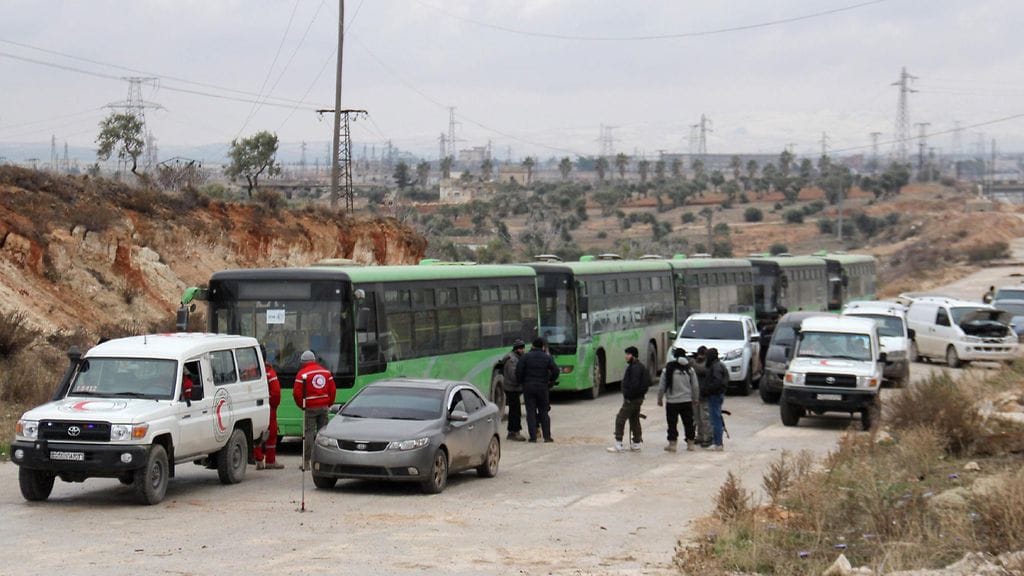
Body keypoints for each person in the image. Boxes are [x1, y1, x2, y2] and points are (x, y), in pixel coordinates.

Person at [292, 350, 337, 470]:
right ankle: (324, 461)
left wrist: (302, 405)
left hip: (310, 407)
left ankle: (307, 462)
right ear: (314, 360)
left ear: (303, 362)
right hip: (323, 407)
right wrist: (328, 403)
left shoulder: (302, 374)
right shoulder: (326, 372)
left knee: (309, 434)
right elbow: (332, 390)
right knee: (323, 434)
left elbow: (296, 393)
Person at [608, 346, 651, 453]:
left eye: (628, 354)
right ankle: (636, 443)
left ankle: (618, 443)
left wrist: (628, 396)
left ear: (633, 355)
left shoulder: (635, 368)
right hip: (638, 398)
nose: (626, 356)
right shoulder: (639, 366)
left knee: (620, 418)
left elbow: (634, 385)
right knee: (634, 419)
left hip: (632, 399)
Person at [515, 337, 559, 443]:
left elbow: (518, 371)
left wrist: (522, 382)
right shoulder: (547, 357)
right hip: (542, 388)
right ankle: (547, 437)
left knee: (531, 412)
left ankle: (533, 437)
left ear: (533, 346)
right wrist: (550, 381)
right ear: (543, 346)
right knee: (544, 412)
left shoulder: (525, 357)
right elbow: (556, 371)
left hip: (528, 388)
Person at [657, 347, 699, 452]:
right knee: (689, 423)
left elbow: (662, 386)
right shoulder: (690, 369)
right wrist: (695, 398)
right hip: (686, 401)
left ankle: (672, 444)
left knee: (672, 423)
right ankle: (690, 444)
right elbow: (695, 386)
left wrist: (660, 398)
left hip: (672, 402)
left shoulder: (668, 369)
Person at [254, 346, 284, 470]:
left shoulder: (251, 372)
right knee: (271, 434)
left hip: (254, 407)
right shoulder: (270, 372)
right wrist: (273, 405)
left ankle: (259, 460)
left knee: (256, 433)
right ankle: (270, 461)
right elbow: (276, 393)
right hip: (268, 408)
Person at [501, 339, 527, 441]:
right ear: (517, 349)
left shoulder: (515, 357)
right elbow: (513, 376)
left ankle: (513, 431)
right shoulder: (512, 360)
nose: (523, 350)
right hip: (512, 389)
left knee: (514, 410)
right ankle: (514, 432)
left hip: (513, 388)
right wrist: (523, 379)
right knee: (515, 411)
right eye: (522, 348)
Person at [704, 347, 729, 452]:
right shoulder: (720, 365)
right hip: (718, 394)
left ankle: (718, 443)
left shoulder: (716, 367)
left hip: (715, 395)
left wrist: (708, 390)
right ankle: (716, 442)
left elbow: (717, 382)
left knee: (715, 420)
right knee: (715, 418)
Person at [692, 346, 712, 448]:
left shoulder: (708, 364)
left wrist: (693, 364)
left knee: (705, 418)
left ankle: (707, 437)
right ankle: (700, 436)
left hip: (704, 395)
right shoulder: (696, 363)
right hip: (696, 395)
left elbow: (702, 370)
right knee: (697, 418)